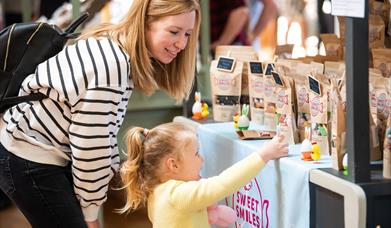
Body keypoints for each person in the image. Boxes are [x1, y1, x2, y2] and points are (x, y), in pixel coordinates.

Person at [0, 0, 200, 227]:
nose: (182, 43)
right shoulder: (113, 65)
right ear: (145, 22)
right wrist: (91, 213)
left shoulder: (110, 43)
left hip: (26, 146)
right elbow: (90, 147)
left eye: (188, 34)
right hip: (29, 155)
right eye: (174, 31)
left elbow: (101, 136)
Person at [120, 122, 288, 227]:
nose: (201, 159)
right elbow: (223, 184)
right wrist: (264, 155)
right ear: (173, 164)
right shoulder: (178, 195)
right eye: (196, 153)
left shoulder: (157, 192)